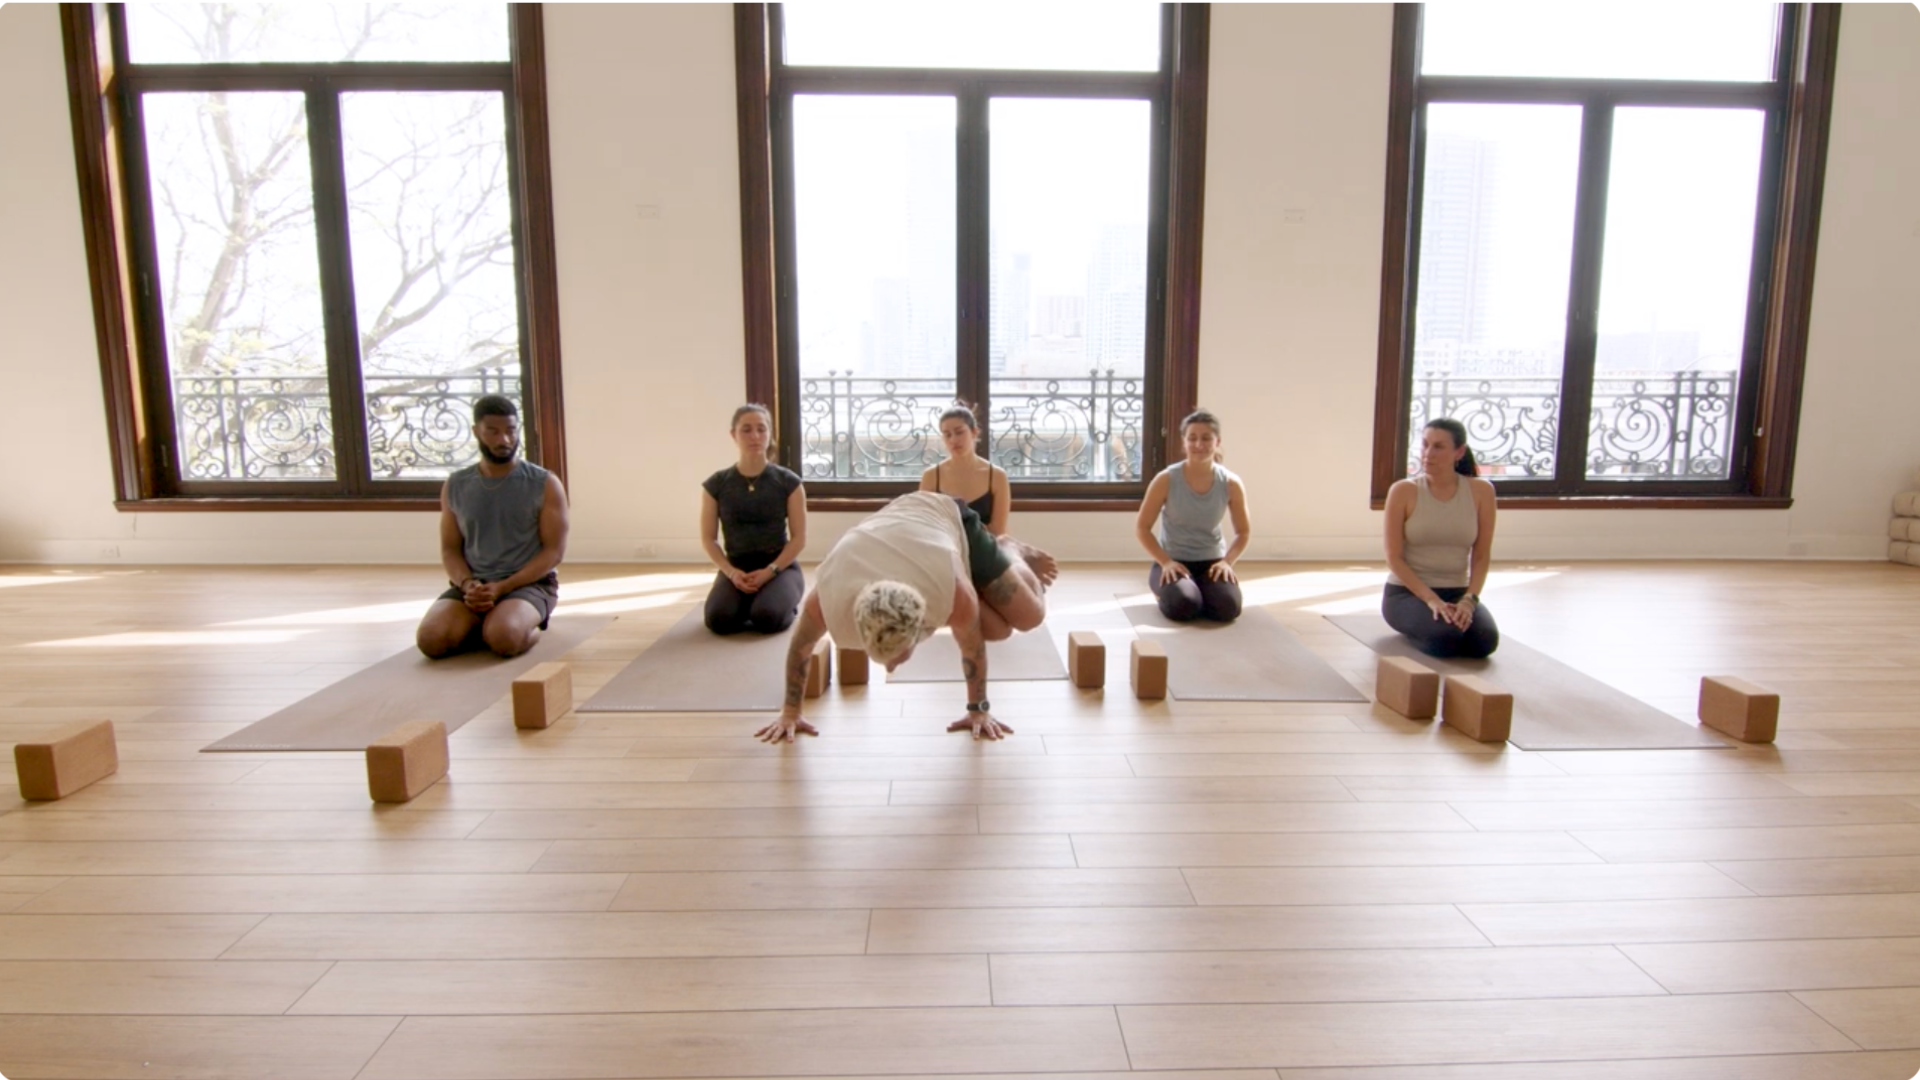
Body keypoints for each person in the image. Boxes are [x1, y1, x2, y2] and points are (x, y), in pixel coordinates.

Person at [754, 491, 1057, 745]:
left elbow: (972, 646)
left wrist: (979, 709)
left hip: (947, 518)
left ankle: (1009, 549)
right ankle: (992, 569)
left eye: (898, 656)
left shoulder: (951, 594)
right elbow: (801, 645)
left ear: (921, 627)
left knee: (1028, 617)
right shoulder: (830, 597)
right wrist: (791, 711)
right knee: (998, 629)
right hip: (898, 532)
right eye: (884, 658)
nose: (890, 666)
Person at [416, 395, 570, 659]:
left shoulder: (544, 483)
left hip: (529, 585)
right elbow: (450, 550)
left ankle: (512, 625)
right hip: (474, 587)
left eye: (510, 431)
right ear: (476, 431)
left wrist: (504, 587)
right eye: (493, 432)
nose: (504, 440)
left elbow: (553, 552)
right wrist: (468, 586)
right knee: (431, 641)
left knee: (504, 639)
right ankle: (484, 621)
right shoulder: (456, 485)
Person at [1382, 417, 1499, 658]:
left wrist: (1469, 600)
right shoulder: (1404, 491)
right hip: (1407, 594)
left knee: (1484, 642)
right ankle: (1424, 624)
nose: (1428, 453)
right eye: (1425, 444)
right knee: (1445, 640)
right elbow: (1394, 558)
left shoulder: (1481, 492)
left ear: (1459, 452)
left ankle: (1446, 621)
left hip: (1457, 591)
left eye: (1438, 446)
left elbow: (1481, 555)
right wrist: (1432, 600)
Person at [1134, 408, 1250, 622]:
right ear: (1184, 442)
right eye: (1192, 438)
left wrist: (1227, 562)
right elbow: (1142, 528)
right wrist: (1165, 562)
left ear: (1217, 441)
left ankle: (1202, 591)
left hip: (1212, 563)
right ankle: (1176, 592)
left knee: (1228, 609)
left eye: (1206, 438)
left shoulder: (1231, 483)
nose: (1199, 445)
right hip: (1173, 562)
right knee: (1185, 607)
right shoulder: (1166, 479)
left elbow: (1243, 532)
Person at [700, 404, 807, 634]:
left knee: (767, 618)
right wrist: (731, 572)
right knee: (719, 620)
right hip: (737, 568)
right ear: (734, 435)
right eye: (746, 430)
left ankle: (777, 600)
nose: (755, 436)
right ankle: (748, 601)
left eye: (761, 429)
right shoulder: (716, 484)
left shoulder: (789, 482)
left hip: (780, 567)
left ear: (769, 434)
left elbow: (798, 538)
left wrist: (770, 572)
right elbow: (709, 539)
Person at [919, 404, 1011, 536]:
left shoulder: (997, 476)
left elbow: (998, 531)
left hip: (985, 550)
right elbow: (926, 524)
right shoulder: (931, 476)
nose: (954, 440)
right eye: (947, 435)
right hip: (944, 550)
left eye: (959, 432)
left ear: (974, 432)